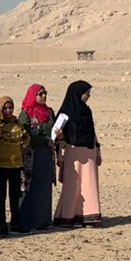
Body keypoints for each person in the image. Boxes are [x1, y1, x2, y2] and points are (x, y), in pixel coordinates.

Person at [53, 81, 102, 227]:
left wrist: (98, 150)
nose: (89, 96)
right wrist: (59, 150)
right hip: (72, 153)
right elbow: (57, 136)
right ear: (78, 94)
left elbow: (92, 132)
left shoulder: (87, 111)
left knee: (89, 185)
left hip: (89, 152)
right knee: (72, 186)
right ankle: (68, 217)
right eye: (87, 93)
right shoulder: (65, 112)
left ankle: (88, 217)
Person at [17, 83, 56, 232]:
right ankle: (27, 221)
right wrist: (44, 140)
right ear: (33, 96)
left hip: (46, 156)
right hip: (31, 156)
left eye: (45, 93)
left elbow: (53, 129)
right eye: (40, 94)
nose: (44, 96)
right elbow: (24, 135)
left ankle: (43, 221)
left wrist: (57, 135)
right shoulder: (26, 114)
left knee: (44, 187)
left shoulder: (49, 112)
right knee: (29, 187)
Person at [0, 95, 28, 236]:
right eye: (5, 108)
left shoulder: (17, 123)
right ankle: (2, 224)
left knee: (14, 195)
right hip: (0, 165)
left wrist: (24, 145)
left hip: (15, 165)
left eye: (10, 107)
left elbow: (26, 137)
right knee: (1, 195)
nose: (8, 110)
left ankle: (15, 223)